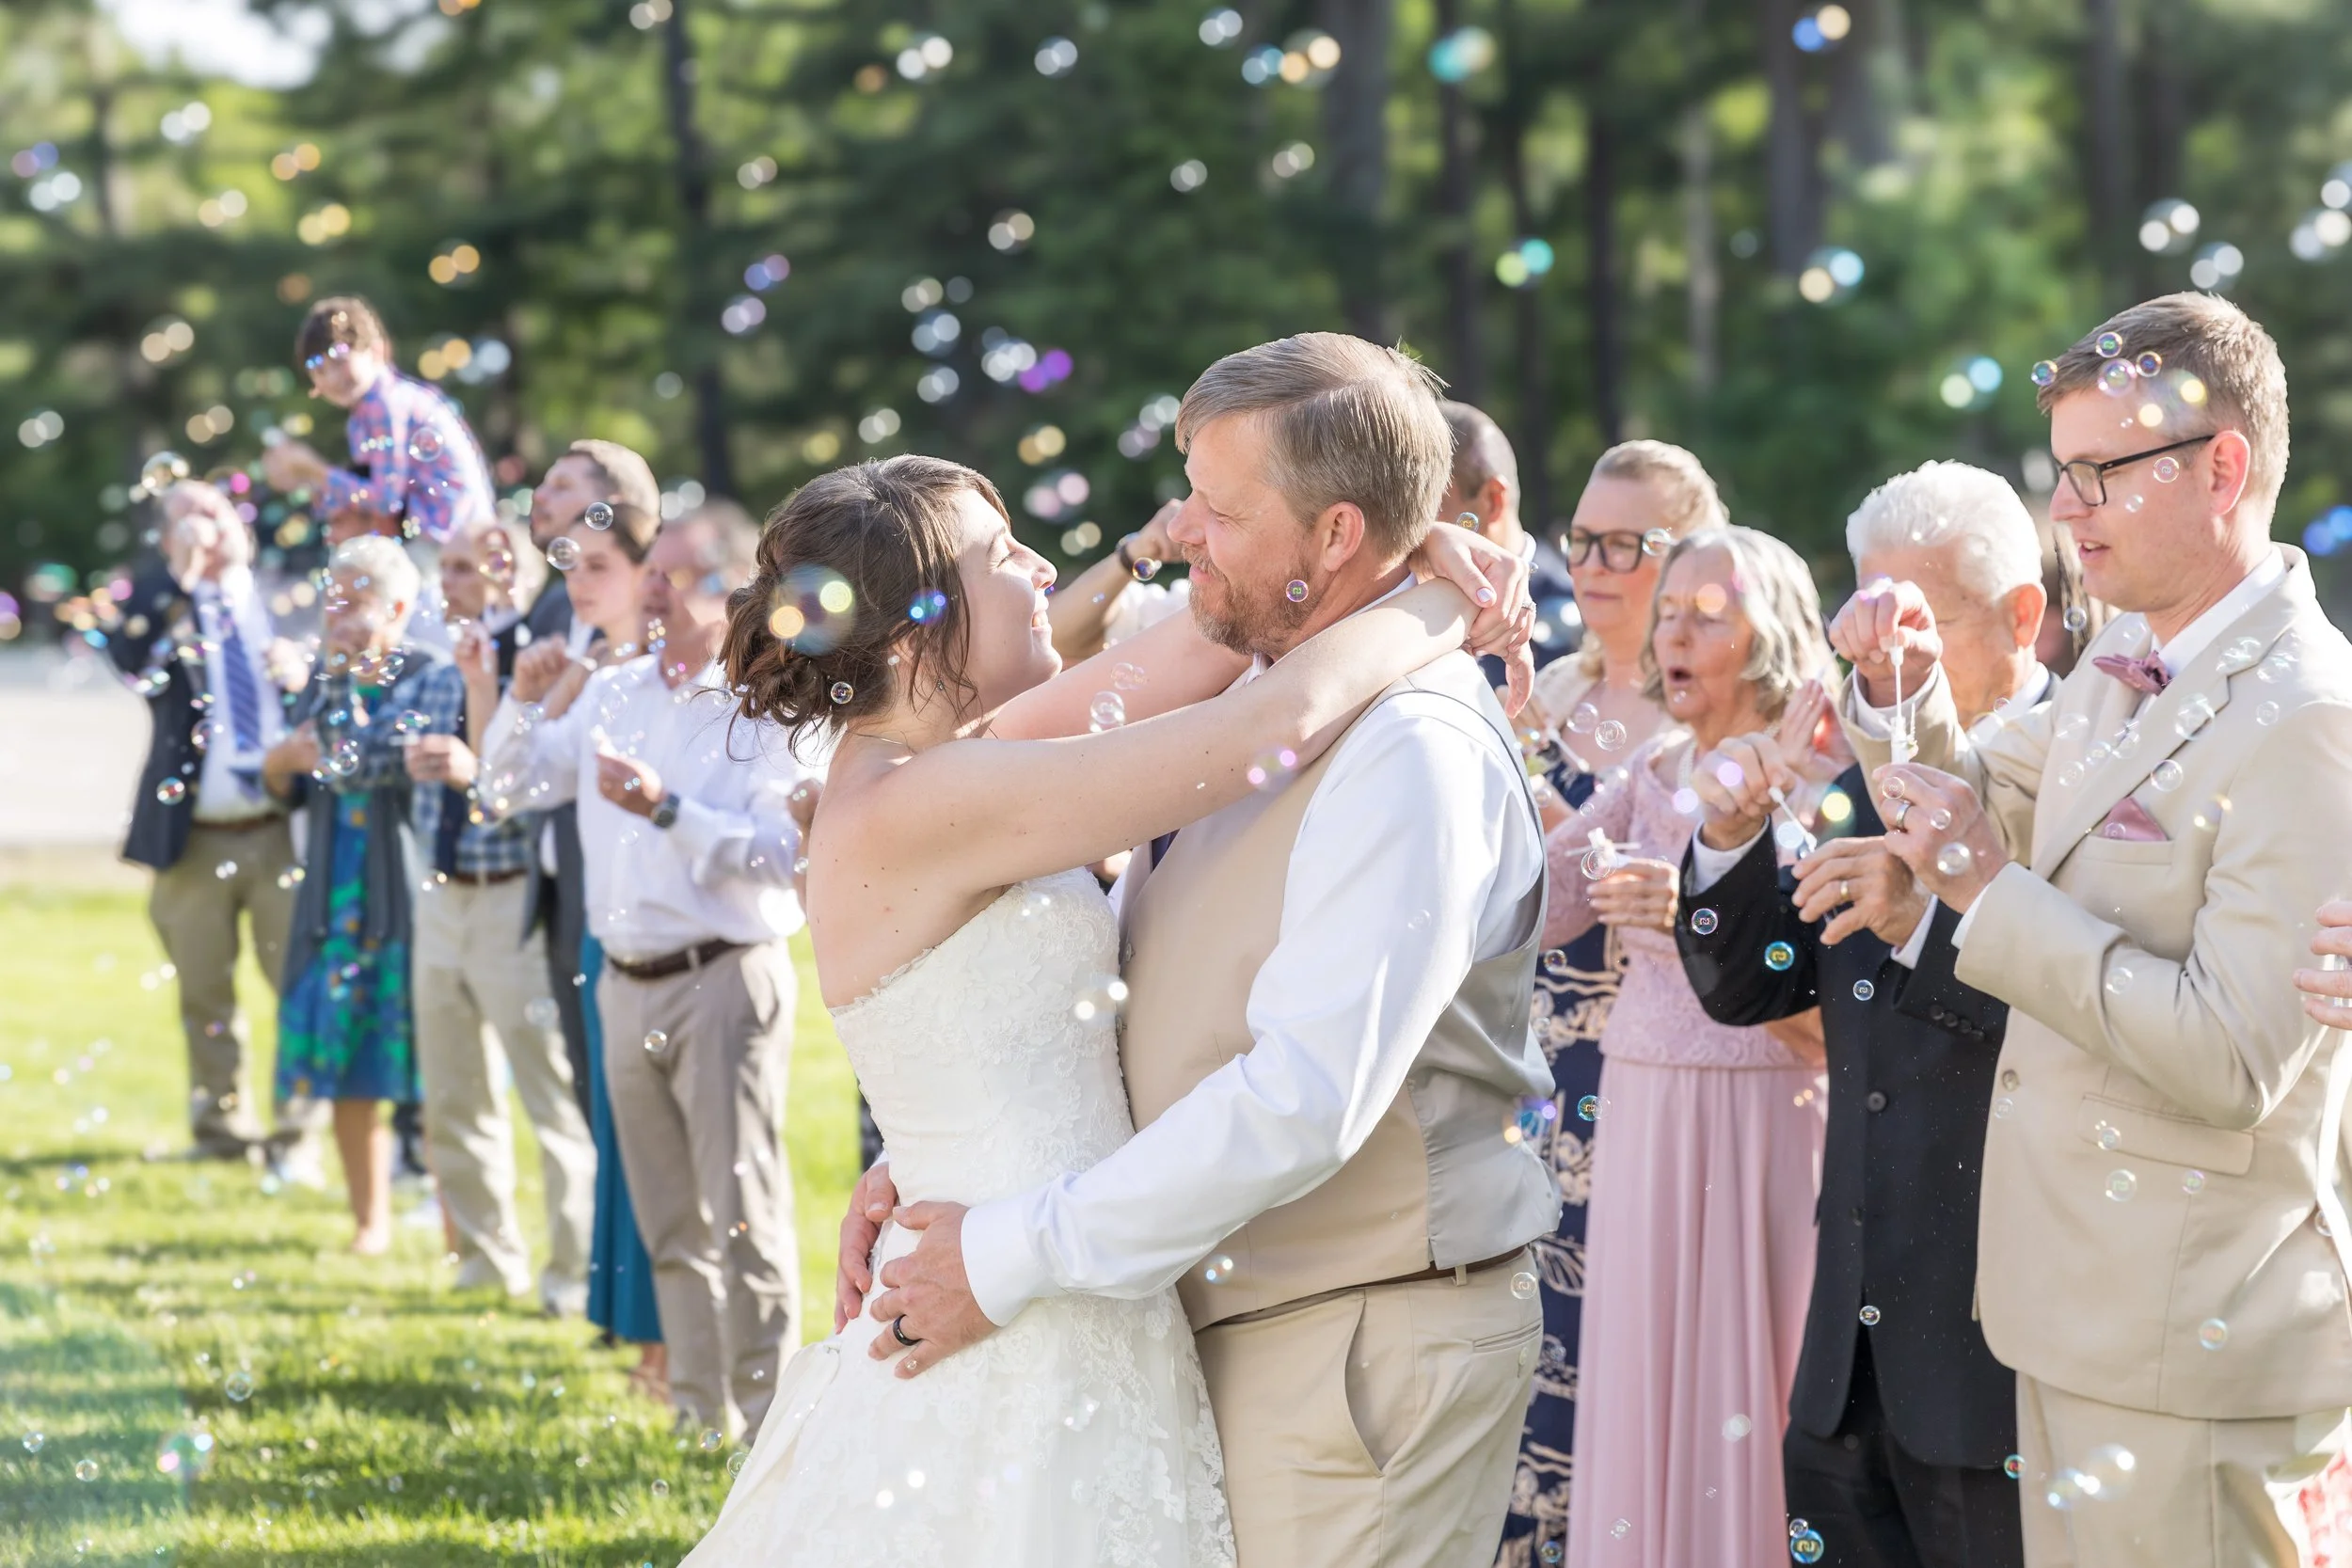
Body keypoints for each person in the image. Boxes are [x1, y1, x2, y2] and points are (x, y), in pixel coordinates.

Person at [698, 337, 1547, 1568]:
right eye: (1003, 559)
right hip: (1013, 1300)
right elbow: (1272, 715)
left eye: (1217, 506)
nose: (1056, 565)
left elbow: (1225, 647)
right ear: (911, 631)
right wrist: (1442, 592)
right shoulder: (931, 793)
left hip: (1096, 1284)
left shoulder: (969, 753)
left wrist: (1415, 553)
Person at [1836, 293, 2352, 1568]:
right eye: (2062, 473)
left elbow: (2235, 1056)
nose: (2065, 511)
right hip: (2066, 1303)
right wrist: (1897, 695)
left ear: (2223, 467)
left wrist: (1987, 894)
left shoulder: (2308, 717)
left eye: (2100, 473)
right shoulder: (2123, 652)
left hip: (2197, 1329)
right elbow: (1959, 797)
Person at [1677, 463, 2052, 1568]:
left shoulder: (2079, 782)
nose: (1874, 654)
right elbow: (1748, 983)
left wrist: (1920, 925)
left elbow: (2066, 1012)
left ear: (2021, 616)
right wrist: (1733, 833)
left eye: (1912, 621)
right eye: (1862, 620)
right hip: (1845, 1361)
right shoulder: (1849, 787)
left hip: (1998, 1364)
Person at [480, 501, 814, 1441]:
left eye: (672, 574)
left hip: (721, 975)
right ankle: (699, 1416)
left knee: (742, 1211)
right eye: (651, 572)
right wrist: (517, 697)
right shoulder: (612, 689)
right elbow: (504, 788)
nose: (651, 590)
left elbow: (781, 856)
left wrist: (670, 811)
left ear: (733, 590)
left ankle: (766, 1420)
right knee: (669, 1217)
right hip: (624, 981)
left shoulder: (761, 707)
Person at [1549, 525, 1834, 1568]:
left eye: (1702, 613)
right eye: (1666, 609)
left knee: (1747, 1385)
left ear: (1768, 637)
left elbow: (1834, 1021)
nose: (1670, 628)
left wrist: (1686, 920)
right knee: (1643, 1374)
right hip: (1644, 1112)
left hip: (1762, 1122)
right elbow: (1538, 906)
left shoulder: (1814, 775)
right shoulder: (1651, 765)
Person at [1495, 437, 1725, 1564]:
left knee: (1620, 1362)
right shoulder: (1547, 692)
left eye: (1623, 544)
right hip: (1523, 1080)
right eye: (1579, 538)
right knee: (1519, 1365)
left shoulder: (1721, 718)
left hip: (1644, 1085)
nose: (1590, 563)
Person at [405, 516, 596, 1312]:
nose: (446, 581)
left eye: (464, 568)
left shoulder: (540, 660)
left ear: (510, 575)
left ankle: (572, 1273)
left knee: (547, 1092)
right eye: (443, 566)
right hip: (439, 896)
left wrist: (469, 769)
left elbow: (530, 792)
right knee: (453, 1093)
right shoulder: (428, 666)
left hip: (515, 898)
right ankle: (487, 1262)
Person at [110, 480, 318, 1167]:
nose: (202, 526)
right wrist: (179, 575)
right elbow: (128, 659)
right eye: (183, 519)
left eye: (213, 512)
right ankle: (222, 1132)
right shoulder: (167, 607)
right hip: (195, 837)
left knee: (298, 983)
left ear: (243, 524)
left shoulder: (286, 600)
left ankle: (296, 1138)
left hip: (279, 827)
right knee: (204, 991)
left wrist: (302, 675)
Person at [515, 490, 671, 1395]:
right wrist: (521, 697)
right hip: (593, 910)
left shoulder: (659, 670)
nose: (578, 582)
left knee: (645, 1132)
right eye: (568, 566)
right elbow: (516, 782)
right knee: (610, 1122)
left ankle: (667, 1347)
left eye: (599, 565)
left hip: (657, 920)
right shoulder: (580, 664)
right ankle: (639, 1334)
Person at [261, 536, 452, 1254]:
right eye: (330, 595)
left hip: (406, 892)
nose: (335, 612)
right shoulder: (321, 676)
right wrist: (282, 760)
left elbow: (361, 764)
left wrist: (330, 719)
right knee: (348, 1067)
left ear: (398, 606)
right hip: (332, 895)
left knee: (433, 1065)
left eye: (354, 597)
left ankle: (451, 1219)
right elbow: (287, 779)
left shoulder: (428, 673)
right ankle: (368, 1220)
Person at [519, 439, 665, 1125]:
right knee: (588, 1091)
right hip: (558, 877)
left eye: (562, 484)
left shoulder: (660, 634)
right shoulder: (549, 613)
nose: (541, 497)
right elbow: (524, 760)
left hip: (629, 877)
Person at [261, 296, 496, 550]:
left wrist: (315, 470)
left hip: (450, 537)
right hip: (451, 533)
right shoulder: (370, 410)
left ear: (376, 351)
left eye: (339, 362)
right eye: (319, 371)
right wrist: (306, 480)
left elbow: (385, 500)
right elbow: (366, 496)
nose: (332, 378)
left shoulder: (384, 404)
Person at [1439, 400, 1580, 668]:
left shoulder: (1575, 611)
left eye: (1427, 502)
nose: (1408, 522)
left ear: (1492, 500)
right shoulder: (1402, 601)